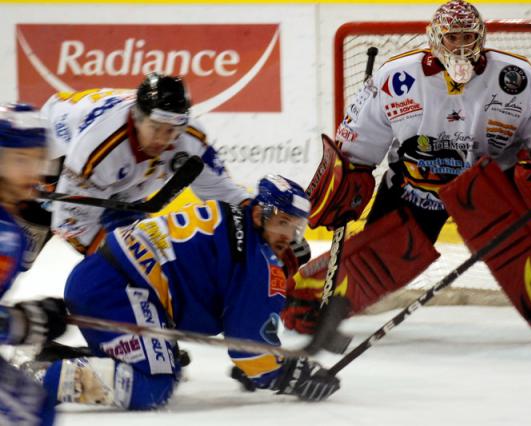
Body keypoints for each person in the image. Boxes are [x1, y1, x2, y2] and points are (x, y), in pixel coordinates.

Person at [283, 0, 531, 339]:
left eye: (468, 36)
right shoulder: (396, 78)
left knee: (517, 245)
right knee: (383, 258)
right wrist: (349, 177)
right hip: (415, 187)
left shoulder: (516, 77)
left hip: (488, 189)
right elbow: (358, 140)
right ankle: (301, 301)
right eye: (452, 38)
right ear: (435, 38)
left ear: (481, 38)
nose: (462, 46)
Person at [31, 175, 339, 410]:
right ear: (260, 213)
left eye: (295, 227)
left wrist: (259, 362)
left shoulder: (226, 214)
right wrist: (286, 373)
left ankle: (58, 360)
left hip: (99, 277)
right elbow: (250, 348)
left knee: (167, 362)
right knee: (155, 384)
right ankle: (42, 380)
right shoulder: (261, 262)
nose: (287, 235)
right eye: (283, 222)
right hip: (121, 293)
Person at [41, 72, 251, 257]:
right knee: (23, 246)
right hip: (49, 155)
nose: (162, 139)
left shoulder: (189, 138)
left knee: (142, 250)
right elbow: (71, 226)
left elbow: (222, 190)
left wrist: (259, 216)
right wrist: (124, 264)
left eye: (171, 131)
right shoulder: (101, 147)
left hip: (120, 185)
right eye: (156, 127)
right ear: (137, 118)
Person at [0, 103, 68, 425]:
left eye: (36, 158)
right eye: (20, 159)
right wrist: (26, 323)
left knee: (35, 406)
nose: (33, 172)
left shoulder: (9, 225)